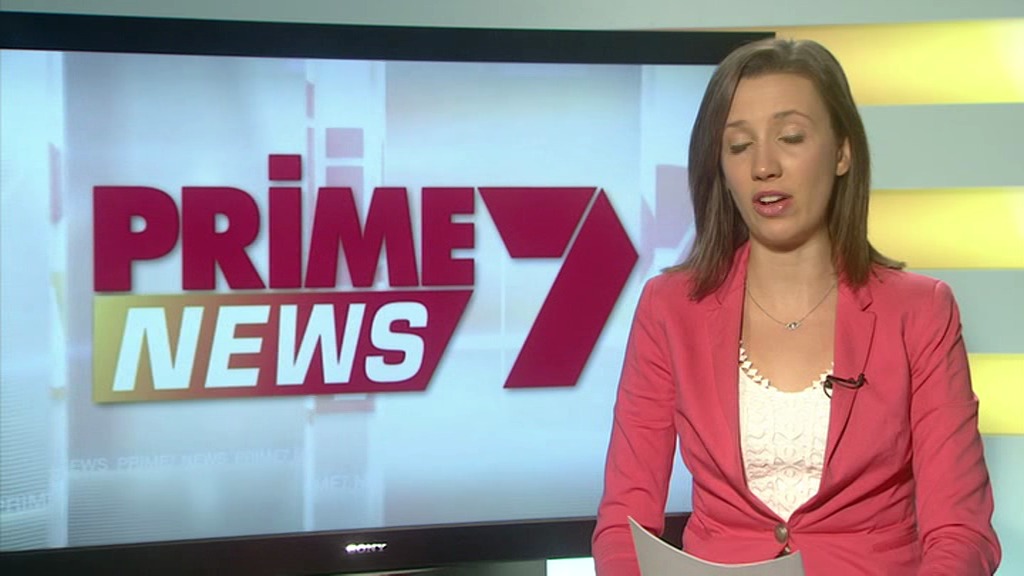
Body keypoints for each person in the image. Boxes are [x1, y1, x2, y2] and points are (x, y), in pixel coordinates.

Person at [592, 38, 1001, 575]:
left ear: (842, 152)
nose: (764, 166)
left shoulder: (921, 312)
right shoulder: (669, 308)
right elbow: (624, 522)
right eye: (739, 146)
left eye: (790, 137)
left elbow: (961, 533)